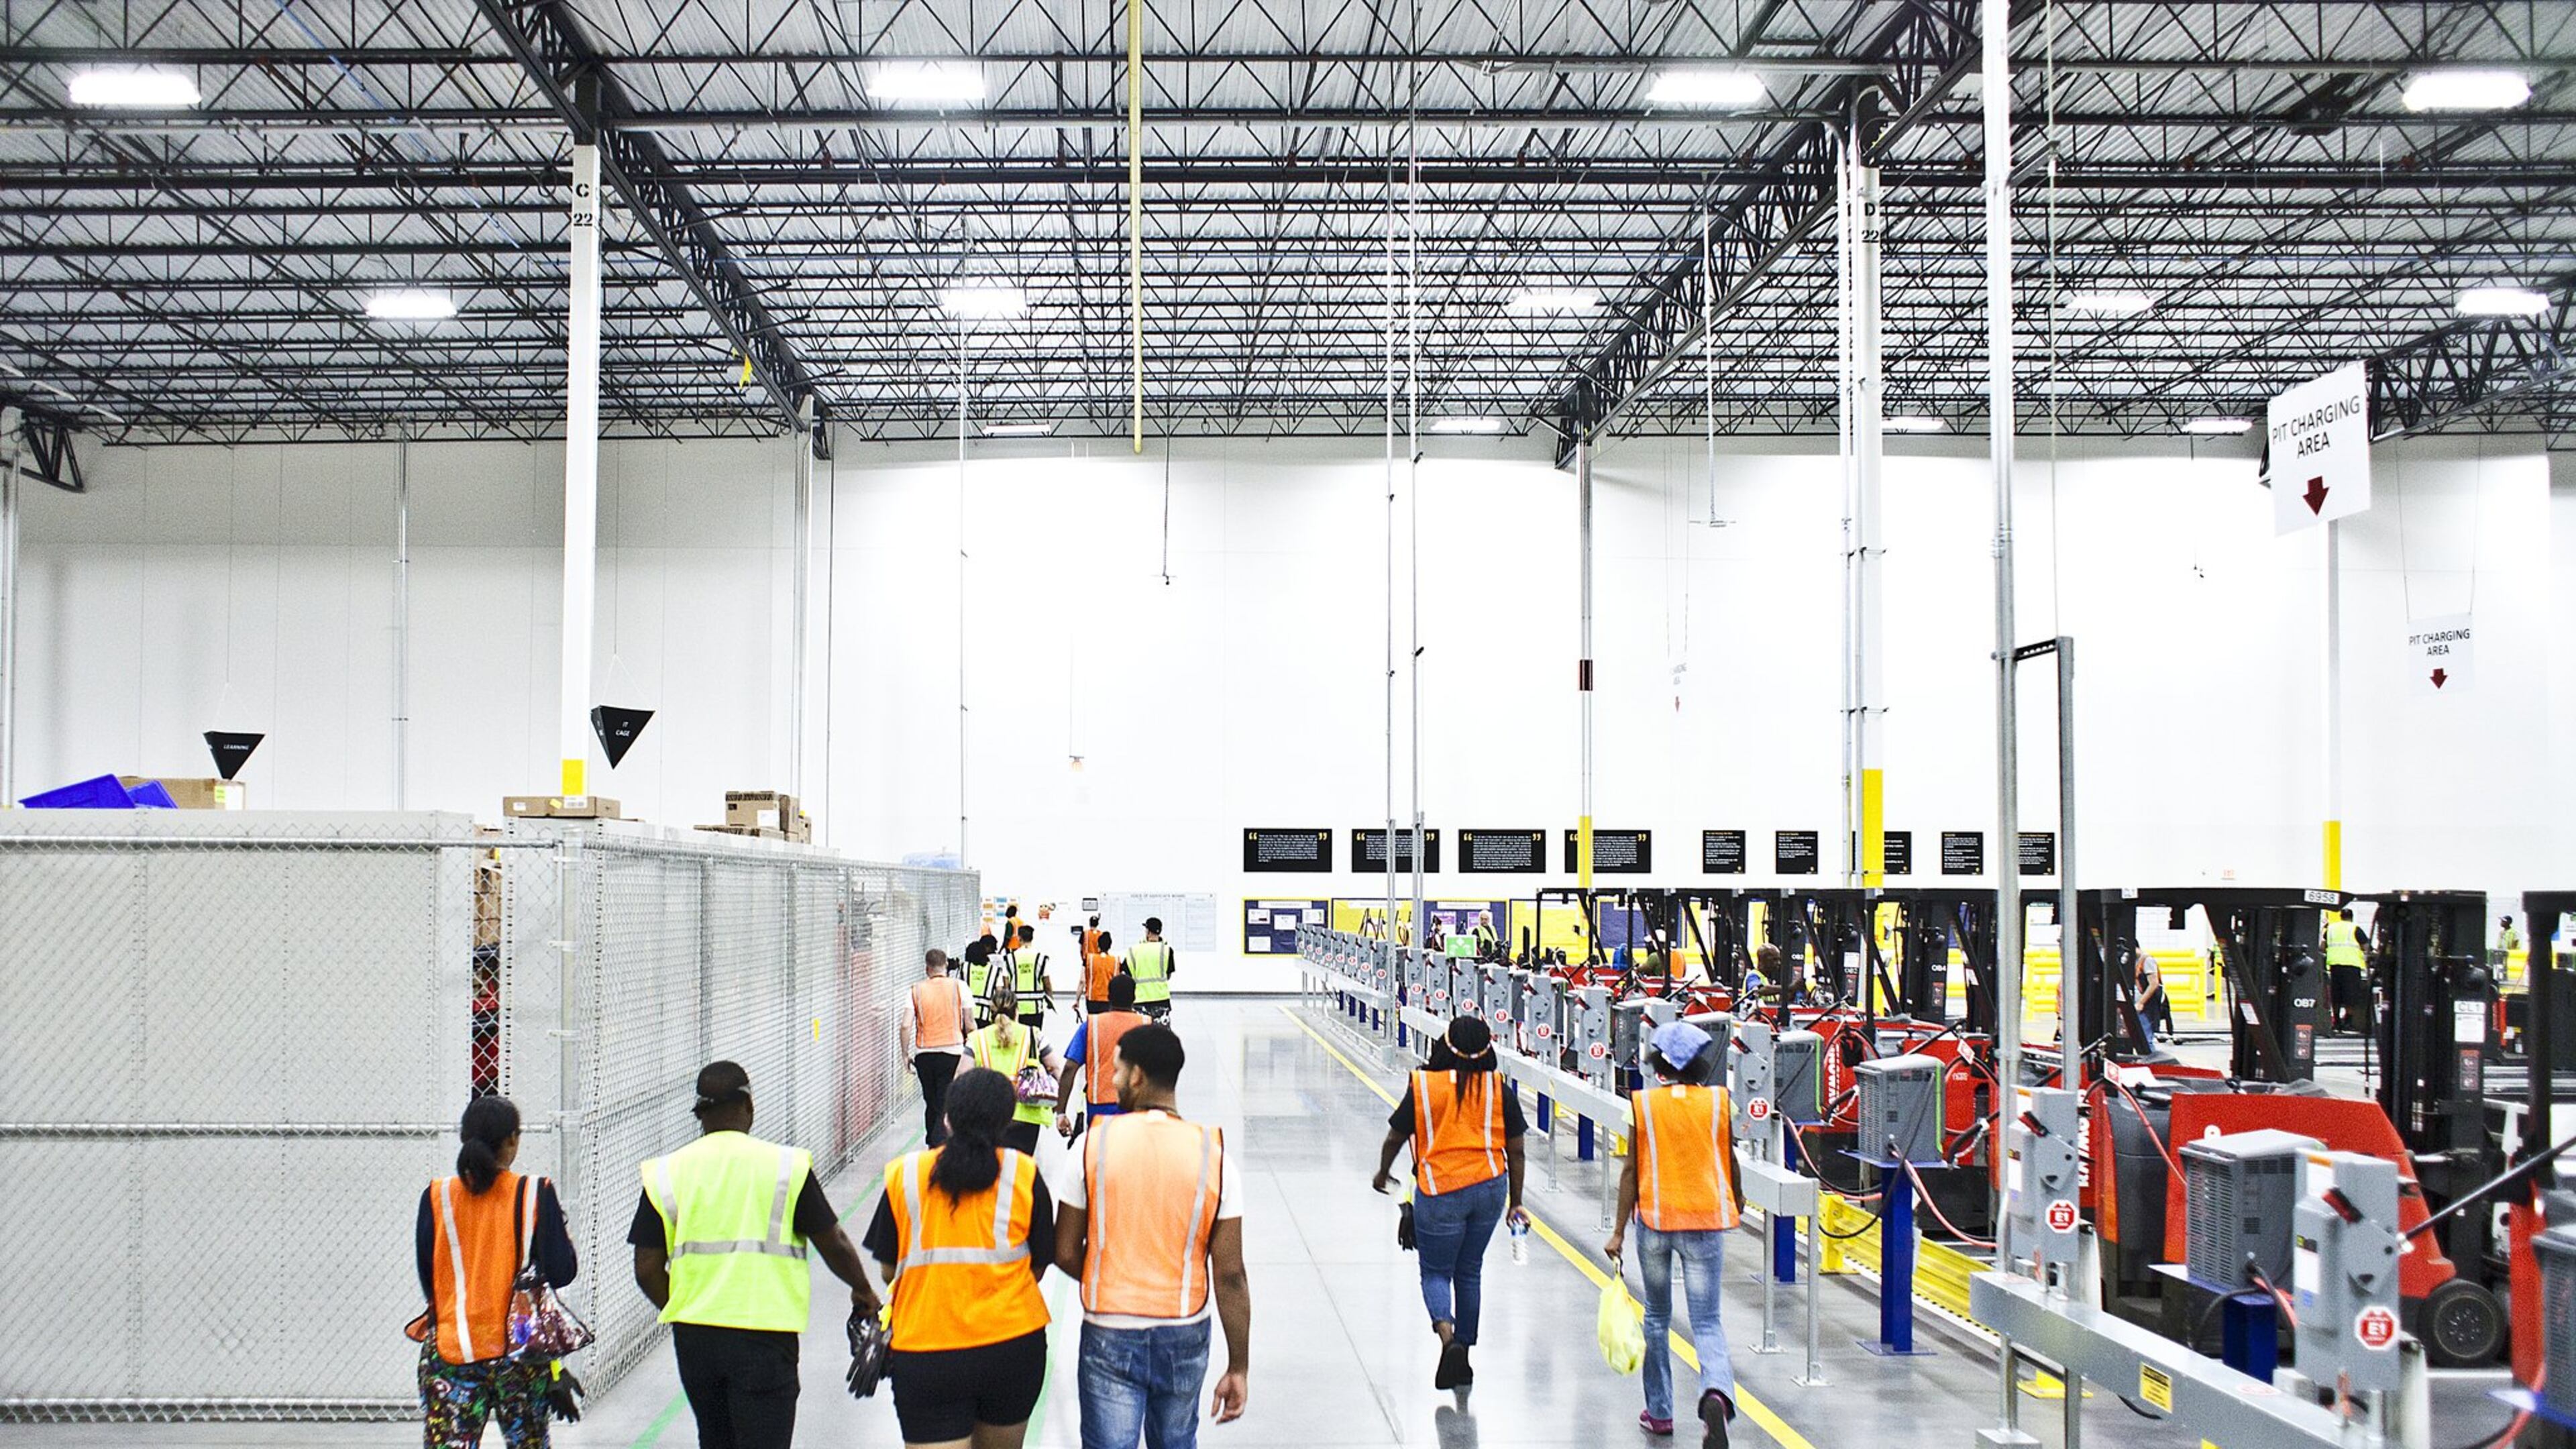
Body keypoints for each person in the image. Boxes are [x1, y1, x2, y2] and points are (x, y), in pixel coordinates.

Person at [631, 1062, 881, 1449]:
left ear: (701, 1114)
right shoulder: (785, 1167)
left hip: (696, 1339)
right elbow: (833, 1242)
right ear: (748, 1106)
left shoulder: (666, 1172)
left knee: (715, 1438)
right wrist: (863, 1289)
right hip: (764, 1335)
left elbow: (647, 1268)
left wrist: (684, 1307)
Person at [1057, 1023, 1252, 1449]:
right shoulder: (1214, 1156)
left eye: (1117, 1070)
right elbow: (1231, 1274)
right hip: (1184, 1330)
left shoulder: (1091, 1147)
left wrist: (1105, 1275)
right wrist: (1239, 1366)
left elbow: (1065, 1250)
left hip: (1109, 1327)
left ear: (1138, 1077)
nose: (1111, 1080)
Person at [863, 1068, 1055, 1449]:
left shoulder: (906, 1176)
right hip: (1012, 1345)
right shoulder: (1023, 1174)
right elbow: (1039, 1263)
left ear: (947, 1117)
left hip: (927, 1352)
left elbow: (889, 1270)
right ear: (1007, 1120)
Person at [1603, 1022, 1743, 1449]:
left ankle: (1661, 1412)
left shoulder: (1642, 1106)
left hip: (1655, 1225)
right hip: (1704, 1223)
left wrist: (1617, 1232)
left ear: (1659, 1062)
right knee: (1707, 1321)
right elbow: (1729, 1158)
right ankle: (1715, 1393)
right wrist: (1736, 1199)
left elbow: (1630, 1170)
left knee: (1658, 1319)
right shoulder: (1720, 1102)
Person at [1371, 1016, 1527, 1389]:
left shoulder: (1425, 1085)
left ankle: (1448, 1339)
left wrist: (1383, 1172)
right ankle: (1465, 1357)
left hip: (1440, 1189)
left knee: (1436, 1272)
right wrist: (1516, 1203)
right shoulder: (1499, 1088)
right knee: (1469, 1270)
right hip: (1490, 1187)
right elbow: (1517, 1150)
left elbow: (1396, 1135)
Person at [415, 1095, 578, 1449]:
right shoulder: (534, 1192)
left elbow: (430, 1278)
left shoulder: (437, 1196)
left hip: (449, 1351)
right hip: (519, 1356)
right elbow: (562, 1272)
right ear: (511, 1141)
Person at [970, 981, 1067, 1157]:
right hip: (1026, 1118)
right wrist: (1061, 1109)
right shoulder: (1033, 1035)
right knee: (1019, 1170)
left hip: (987, 1115)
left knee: (991, 1170)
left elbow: (961, 1077)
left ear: (992, 1012)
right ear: (1017, 1012)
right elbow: (1056, 1068)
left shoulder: (977, 1038)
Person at [1057, 973, 1150, 1137]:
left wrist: (1061, 1112)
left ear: (1109, 997)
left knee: (1100, 1155)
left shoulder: (1091, 1025)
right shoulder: (1146, 1025)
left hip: (1100, 1107)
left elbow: (1070, 1068)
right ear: (1134, 997)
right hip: (1137, 1104)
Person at [911, 948, 975, 1147]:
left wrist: (905, 1054)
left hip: (924, 1054)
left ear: (926, 968)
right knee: (945, 1101)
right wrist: (974, 1050)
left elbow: (905, 1024)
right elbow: (970, 1022)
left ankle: (933, 1140)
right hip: (952, 1053)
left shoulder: (916, 989)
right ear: (946, 965)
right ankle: (940, 1144)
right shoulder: (960, 987)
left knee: (931, 1101)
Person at [2326, 907, 2369, 1034]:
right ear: (2352, 917)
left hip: (2334, 966)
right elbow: (2366, 947)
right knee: (2351, 995)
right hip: (2351, 966)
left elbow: (2322, 946)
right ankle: (2348, 1022)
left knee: (2336, 994)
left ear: (2340, 916)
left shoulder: (2331, 929)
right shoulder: (2355, 929)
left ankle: (2337, 1022)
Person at [1126, 918, 1177, 1023]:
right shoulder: (1167, 950)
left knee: (1141, 1036)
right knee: (1161, 1036)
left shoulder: (1134, 950)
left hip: (1140, 999)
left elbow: (1127, 973)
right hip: (1161, 999)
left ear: (1148, 932)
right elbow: (1168, 975)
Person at [1006, 924, 1052, 1030]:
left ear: (1019, 938)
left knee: (1019, 1040)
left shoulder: (1009, 959)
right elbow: (1047, 984)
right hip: (1036, 1008)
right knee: (1035, 1039)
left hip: (1016, 1008)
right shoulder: (1041, 959)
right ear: (1032, 938)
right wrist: (1050, 1000)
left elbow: (1006, 984)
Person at [1085, 930, 1122, 1017]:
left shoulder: (1090, 959)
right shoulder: (1115, 961)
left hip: (1093, 998)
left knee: (1094, 1024)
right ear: (1110, 946)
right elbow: (1117, 982)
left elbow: (1082, 981)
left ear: (1098, 945)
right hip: (1108, 999)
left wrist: (1077, 999)